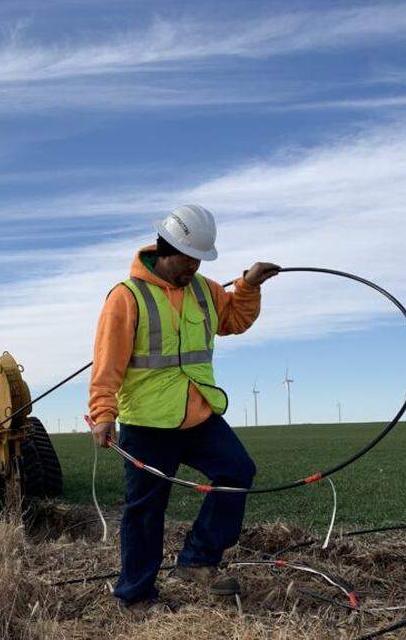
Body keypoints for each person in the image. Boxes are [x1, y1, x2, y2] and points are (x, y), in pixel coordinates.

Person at [88, 204, 280, 611]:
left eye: (200, 258)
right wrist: (103, 414)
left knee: (237, 470)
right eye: (188, 257)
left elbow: (234, 320)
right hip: (148, 423)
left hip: (199, 413)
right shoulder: (126, 297)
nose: (194, 265)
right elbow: (108, 363)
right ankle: (135, 595)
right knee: (145, 511)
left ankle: (198, 558)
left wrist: (248, 285)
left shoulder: (205, 290)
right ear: (165, 248)